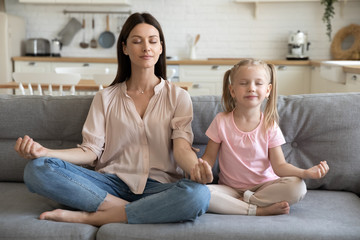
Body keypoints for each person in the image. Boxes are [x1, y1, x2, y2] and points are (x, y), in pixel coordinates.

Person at [14, 12, 210, 226]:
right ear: (125, 48)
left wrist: (195, 169)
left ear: (161, 48)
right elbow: (90, 151)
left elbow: (181, 149)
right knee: (37, 168)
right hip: (109, 184)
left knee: (199, 195)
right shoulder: (105, 97)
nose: (146, 47)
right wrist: (45, 152)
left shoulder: (178, 97)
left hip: (159, 186)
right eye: (137, 41)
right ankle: (132, 210)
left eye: (153, 41)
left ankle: (94, 216)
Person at [191, 59, 329, 216]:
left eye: (258, 83)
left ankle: (243, 204)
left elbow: (280, 166)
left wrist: (306, 173)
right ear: (232, 90)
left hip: (265, 188)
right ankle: (257, 210)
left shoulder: (270, 125)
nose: (251, 88)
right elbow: (208, 158)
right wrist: (200, 170)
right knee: (200, 193)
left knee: (297, 187)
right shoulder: (221, 121)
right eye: (243, 83)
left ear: (268, 90)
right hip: (230, 189)